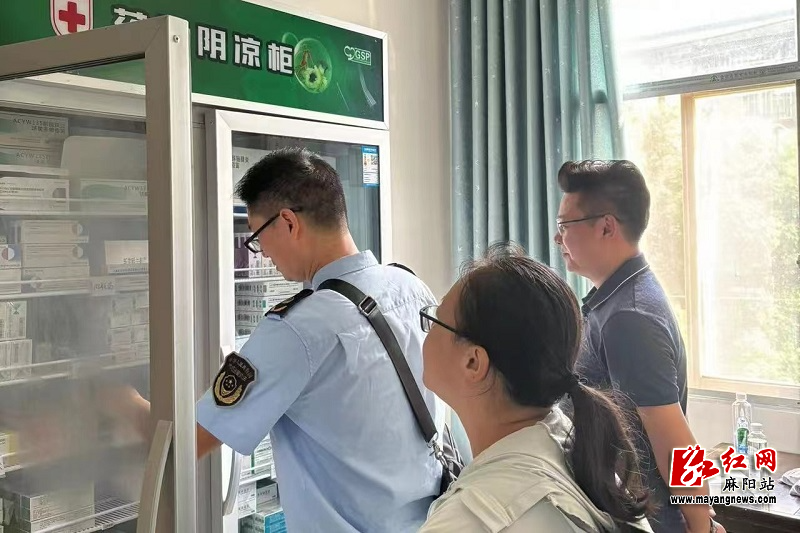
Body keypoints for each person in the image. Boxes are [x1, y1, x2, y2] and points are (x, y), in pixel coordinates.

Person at [115, 147, 445, 532]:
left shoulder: (298, 329)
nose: (263, 253)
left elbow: (188, 444)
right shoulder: (411, 287)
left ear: (288, 222)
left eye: (257, 236)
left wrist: (115, 396)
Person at [418, 242, 653, 532]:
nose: (426, 330)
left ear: (473, 362)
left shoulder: (468, 520)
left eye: (435, 320)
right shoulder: (579, 453)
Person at [554, 160, 724, 533]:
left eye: (564, 226)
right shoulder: (616, 298)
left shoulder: (628, 317)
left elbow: (672, 439)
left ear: (606, 226)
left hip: (646, 517)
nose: (557, 238)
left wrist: (702, 526)